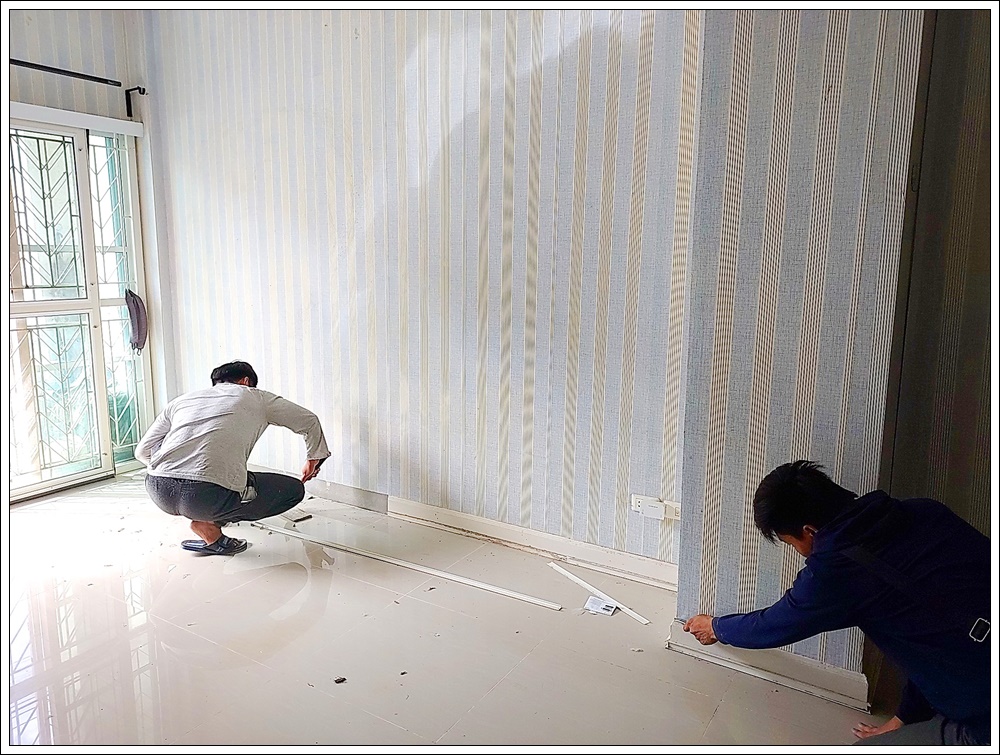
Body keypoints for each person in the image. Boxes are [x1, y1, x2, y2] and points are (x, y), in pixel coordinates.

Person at [682, 460, 991, 746]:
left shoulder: (836, 572)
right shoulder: (926, 512)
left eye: (791, 543)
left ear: (809, 531)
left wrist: (715, 627)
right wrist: (903, 718)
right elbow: (928, 633)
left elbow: (774, 625)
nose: (798, 551)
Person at [136, 360, 331, 556]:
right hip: (206, 496)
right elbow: (309, 421)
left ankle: (207, 514)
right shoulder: (255, 396)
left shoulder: (182, 401)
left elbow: (142, 451)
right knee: (293, 490)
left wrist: (174, 473)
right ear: (246, 381)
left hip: (158, 490)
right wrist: (314, 459)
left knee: (231, 478)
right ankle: (210, 527)